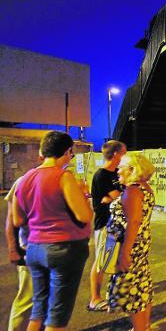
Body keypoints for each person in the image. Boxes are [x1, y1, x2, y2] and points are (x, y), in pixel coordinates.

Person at [12, 131, 93, 331]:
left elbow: (17, 219)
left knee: (38, 311)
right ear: (67, 152)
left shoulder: (25, 179)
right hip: (63, 249)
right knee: (56, 317)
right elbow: (84, 215)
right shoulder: (63, 176)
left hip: (34, 249)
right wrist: (83, 193)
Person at [107, 153, 156, 331]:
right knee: (141, 284)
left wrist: (124, 253)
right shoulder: (144, 188)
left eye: (121, 166)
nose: (117, 169)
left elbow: (134, 222)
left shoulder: (132, 191)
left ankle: (140, 328)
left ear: (131, 169)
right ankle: (145, 326)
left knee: (131, 290)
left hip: (131, 246)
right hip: (141, 243)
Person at [87, 140, 126, 312]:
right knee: (101, 261)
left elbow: (120, 197)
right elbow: (120, 197)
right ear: (116, 154)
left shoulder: (117, 173)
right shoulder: (101, 175)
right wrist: (115, 198)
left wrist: (114, 198)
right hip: (105, 224)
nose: (126, 156)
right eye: (124, 152)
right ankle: (94, 299)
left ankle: (116, 293)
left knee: (115, 260)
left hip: (118, 223)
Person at [5, 176, 33, 331]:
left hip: (48, 252)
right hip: (28, 251)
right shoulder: (23, 181)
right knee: (26, 300)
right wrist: (12, 249)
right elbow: (11, 219)